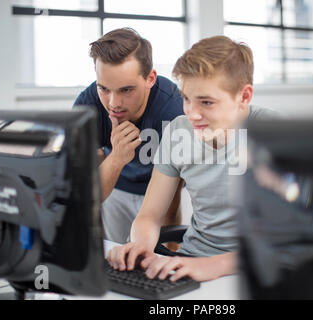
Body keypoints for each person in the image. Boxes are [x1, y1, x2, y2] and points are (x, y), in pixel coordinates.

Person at [106, 35, 279, 282]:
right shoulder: (179, 130)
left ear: (244, 96)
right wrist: (141, 246)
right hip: (191, 263)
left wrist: (212, 266)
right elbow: (149, 216)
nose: (193, 114)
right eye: (186, 99)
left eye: (206, 102)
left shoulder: (275, 134)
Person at [73, 28, 184, 244]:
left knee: (159, 257)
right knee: (116, 254)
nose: (113, 103)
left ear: (150, 78)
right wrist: (116, 157)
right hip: (115, 186)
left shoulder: (174, 108)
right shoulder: (87, 106)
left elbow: (172, 204)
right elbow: (87, 196)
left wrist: (168, 258)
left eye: (126, 90)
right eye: (104, 88)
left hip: (161, 189)